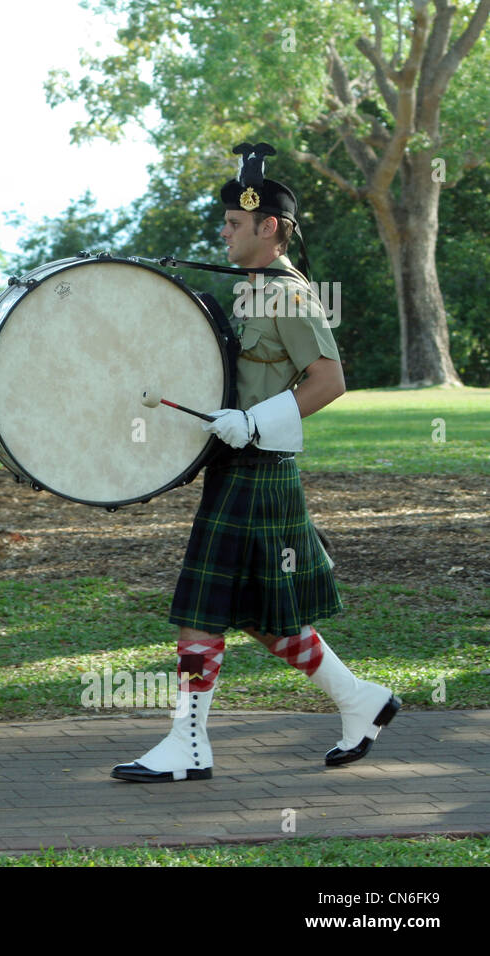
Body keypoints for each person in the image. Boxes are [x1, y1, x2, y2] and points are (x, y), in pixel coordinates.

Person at [111, 143, 399, 784]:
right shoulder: (252, 291)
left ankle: (188, 745)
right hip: (240, 465)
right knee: (266, 620)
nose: (224, 231)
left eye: (235, 224)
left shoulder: (289, 296)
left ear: (268, 227)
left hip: (260, 467)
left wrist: (255, 420)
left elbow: (328, 380)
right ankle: (362, 701)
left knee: (199, 612)